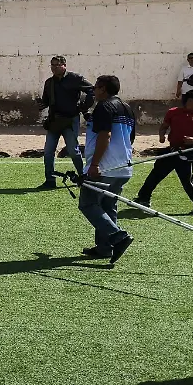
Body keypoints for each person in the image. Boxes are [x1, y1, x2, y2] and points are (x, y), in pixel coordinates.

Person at [78, 75, 137, 264]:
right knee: (108, 206)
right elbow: (130, 138)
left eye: (95, 87)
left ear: (103, 89)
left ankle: (118, 236)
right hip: (123, 167)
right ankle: (105, 248)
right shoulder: (127, 108)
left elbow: (106, 135)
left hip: (104, 167)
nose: (93, 91)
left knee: (88, 204)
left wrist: (95, 164)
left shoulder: (103, 106)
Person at [136, 90, 193, 215]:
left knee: (187, 180)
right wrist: (162, 136)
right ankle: (143, 198)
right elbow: (164, 126)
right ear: (190, 100)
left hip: (187, 152)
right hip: (172, 150)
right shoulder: (173, 112)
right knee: (156, 173)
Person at [36, 56, 94, 188]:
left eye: (57, 65)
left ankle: (83, 177)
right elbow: (46, 101)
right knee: (48, 151)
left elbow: (91, 89)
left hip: (70, 120)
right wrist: (41, 104)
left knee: (73, 150)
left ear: (64, 65)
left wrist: (85, 106)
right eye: (52, 65)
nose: (54, 68)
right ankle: (50, 180)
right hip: (54, 120)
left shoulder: (75, 79)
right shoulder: (49, 83)